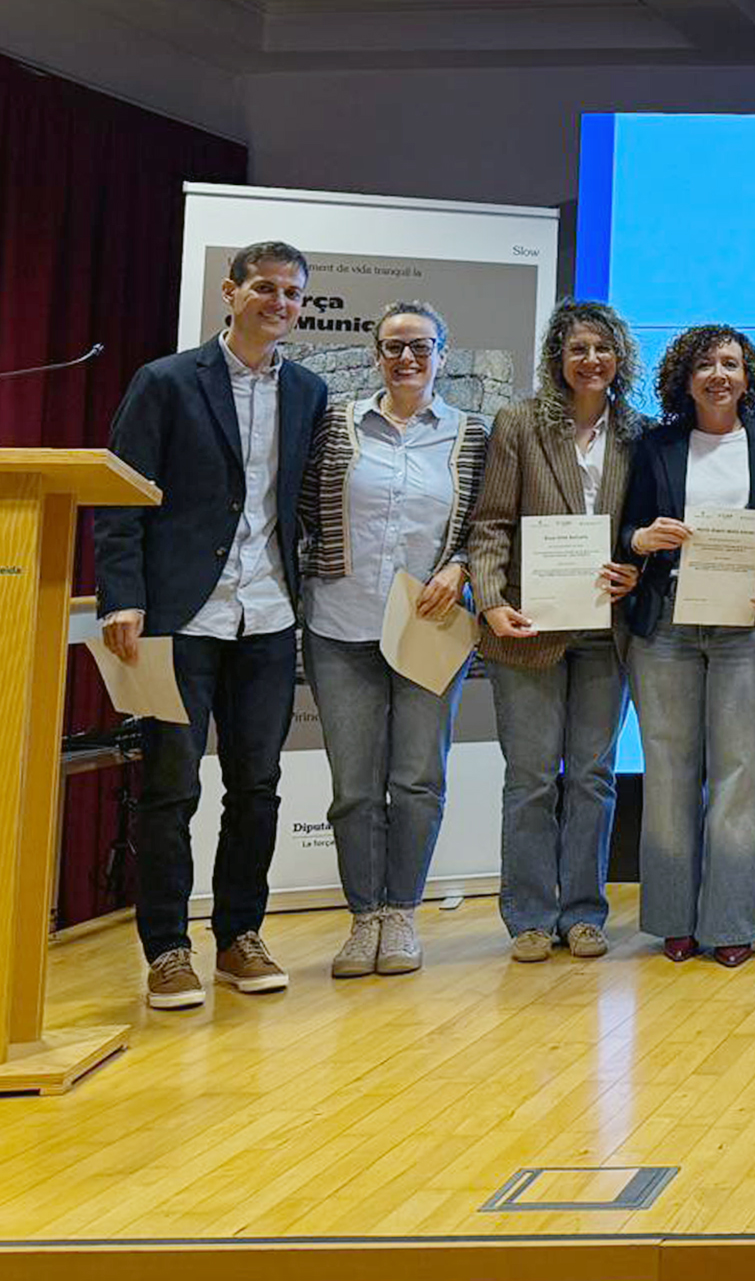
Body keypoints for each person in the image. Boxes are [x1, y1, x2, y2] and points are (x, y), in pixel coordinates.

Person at [96, 241, 329, 1010]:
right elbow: (122, 494)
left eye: (293, 294)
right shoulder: (164, 381)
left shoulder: (309, 390)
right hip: (178, 616)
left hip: (267, 616)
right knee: (169, 788)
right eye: (265, 288)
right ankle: (166, 947)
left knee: (257, 786)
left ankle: (238, 936)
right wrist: (121, 595)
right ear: (230, 293)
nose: (280, 303)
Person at [297, 300, 489, 979]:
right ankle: (363, 918)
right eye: (393, 346)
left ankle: (402, 912)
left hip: (429, 629)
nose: (406, 358)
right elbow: (297, 509)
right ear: (376, 353)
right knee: (353, 787)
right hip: (339, 625)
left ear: (443, 351)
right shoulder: (334, 425)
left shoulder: (472, 434)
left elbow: (489, 524)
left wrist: (461, 566)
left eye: (421, 346)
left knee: (417, 780)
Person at [617, 324, 755, 967]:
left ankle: (732, 922)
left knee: (741, 778)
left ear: (748, 377)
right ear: (685, 377)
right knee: (670, 775)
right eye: (705, 364)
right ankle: (674, 918)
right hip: (666, 623)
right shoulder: (656, 445)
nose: (718, 375)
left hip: (748, 624)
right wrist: (640, 541)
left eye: (731, 363)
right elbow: (627, 528)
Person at [469, 299, 644, 964]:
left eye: (603, 348)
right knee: (534, 777)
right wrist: (489, 603)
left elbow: (640, 530)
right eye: (578, 349)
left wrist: (634, 567)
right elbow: (490, 524)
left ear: (618, 357)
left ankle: (584, 912)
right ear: (558, 359)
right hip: (529, 630)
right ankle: (531, 917)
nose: (591, 360)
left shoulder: (638, 432)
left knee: (594, 777)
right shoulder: (518, 424)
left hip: (607, 631)